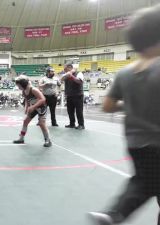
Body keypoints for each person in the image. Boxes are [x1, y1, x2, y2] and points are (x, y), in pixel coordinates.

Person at [89, 4, 160, 225]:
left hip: (136, 145)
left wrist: (130, 104)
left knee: (143, 182)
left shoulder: (124, 73)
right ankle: (116, 212)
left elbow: (108, 106)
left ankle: (115, 212)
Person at [13, 75, 52, 147]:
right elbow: (27, 100)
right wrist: (26, 108)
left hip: (41, 107)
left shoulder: (33, 89)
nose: (18, 87)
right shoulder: (24, 91)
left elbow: (43, 99)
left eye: (19, 86)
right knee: (25, 121)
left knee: (41, 123)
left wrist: (33, 107)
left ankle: (48, 140)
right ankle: (21, 138)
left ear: (23, 84)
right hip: (33, 107)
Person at [61, 63, 85, 130]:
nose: (64, 70)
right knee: (70, 111)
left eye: (65, 69)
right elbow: (61, 79)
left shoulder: (79, 73)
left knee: (79, 111)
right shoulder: (66, 74)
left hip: (78, 95)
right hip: (69, 95)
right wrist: (67, 75)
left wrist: (71, 76)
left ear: (70, 67)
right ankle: (72, 124)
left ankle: (81, 125)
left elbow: (79, 82)